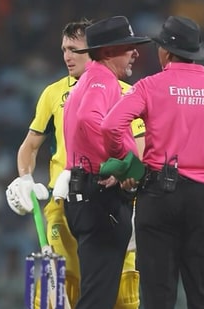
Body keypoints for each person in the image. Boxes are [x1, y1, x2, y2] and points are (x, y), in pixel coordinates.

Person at [101, 16, 204, 309]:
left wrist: (128, 161)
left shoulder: (149, 86)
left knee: (157, 297)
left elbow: (110, 126)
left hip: (157, 196)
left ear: (165, 51)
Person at [5, 19, 146, 309]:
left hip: (105, 195)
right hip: (67, 198)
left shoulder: (124, 91)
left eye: (75, 50)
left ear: (93, 50)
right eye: (64, 50)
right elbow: (30, 147)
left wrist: (130, 175)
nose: (67, 57)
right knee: (56, 293)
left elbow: (140, 149)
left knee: (121, 294)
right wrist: (25, 178)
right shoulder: (54, 93)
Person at [64, 16, 149, 309]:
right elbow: (92, 120)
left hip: (85, 191)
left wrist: (127, 166)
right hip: (99, 196)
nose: (135, 53)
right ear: (110, 51)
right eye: (129, 47)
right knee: (98, 298)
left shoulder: (89, 79)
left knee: (96, 291)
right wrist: (118, 163)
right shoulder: (103, 79)